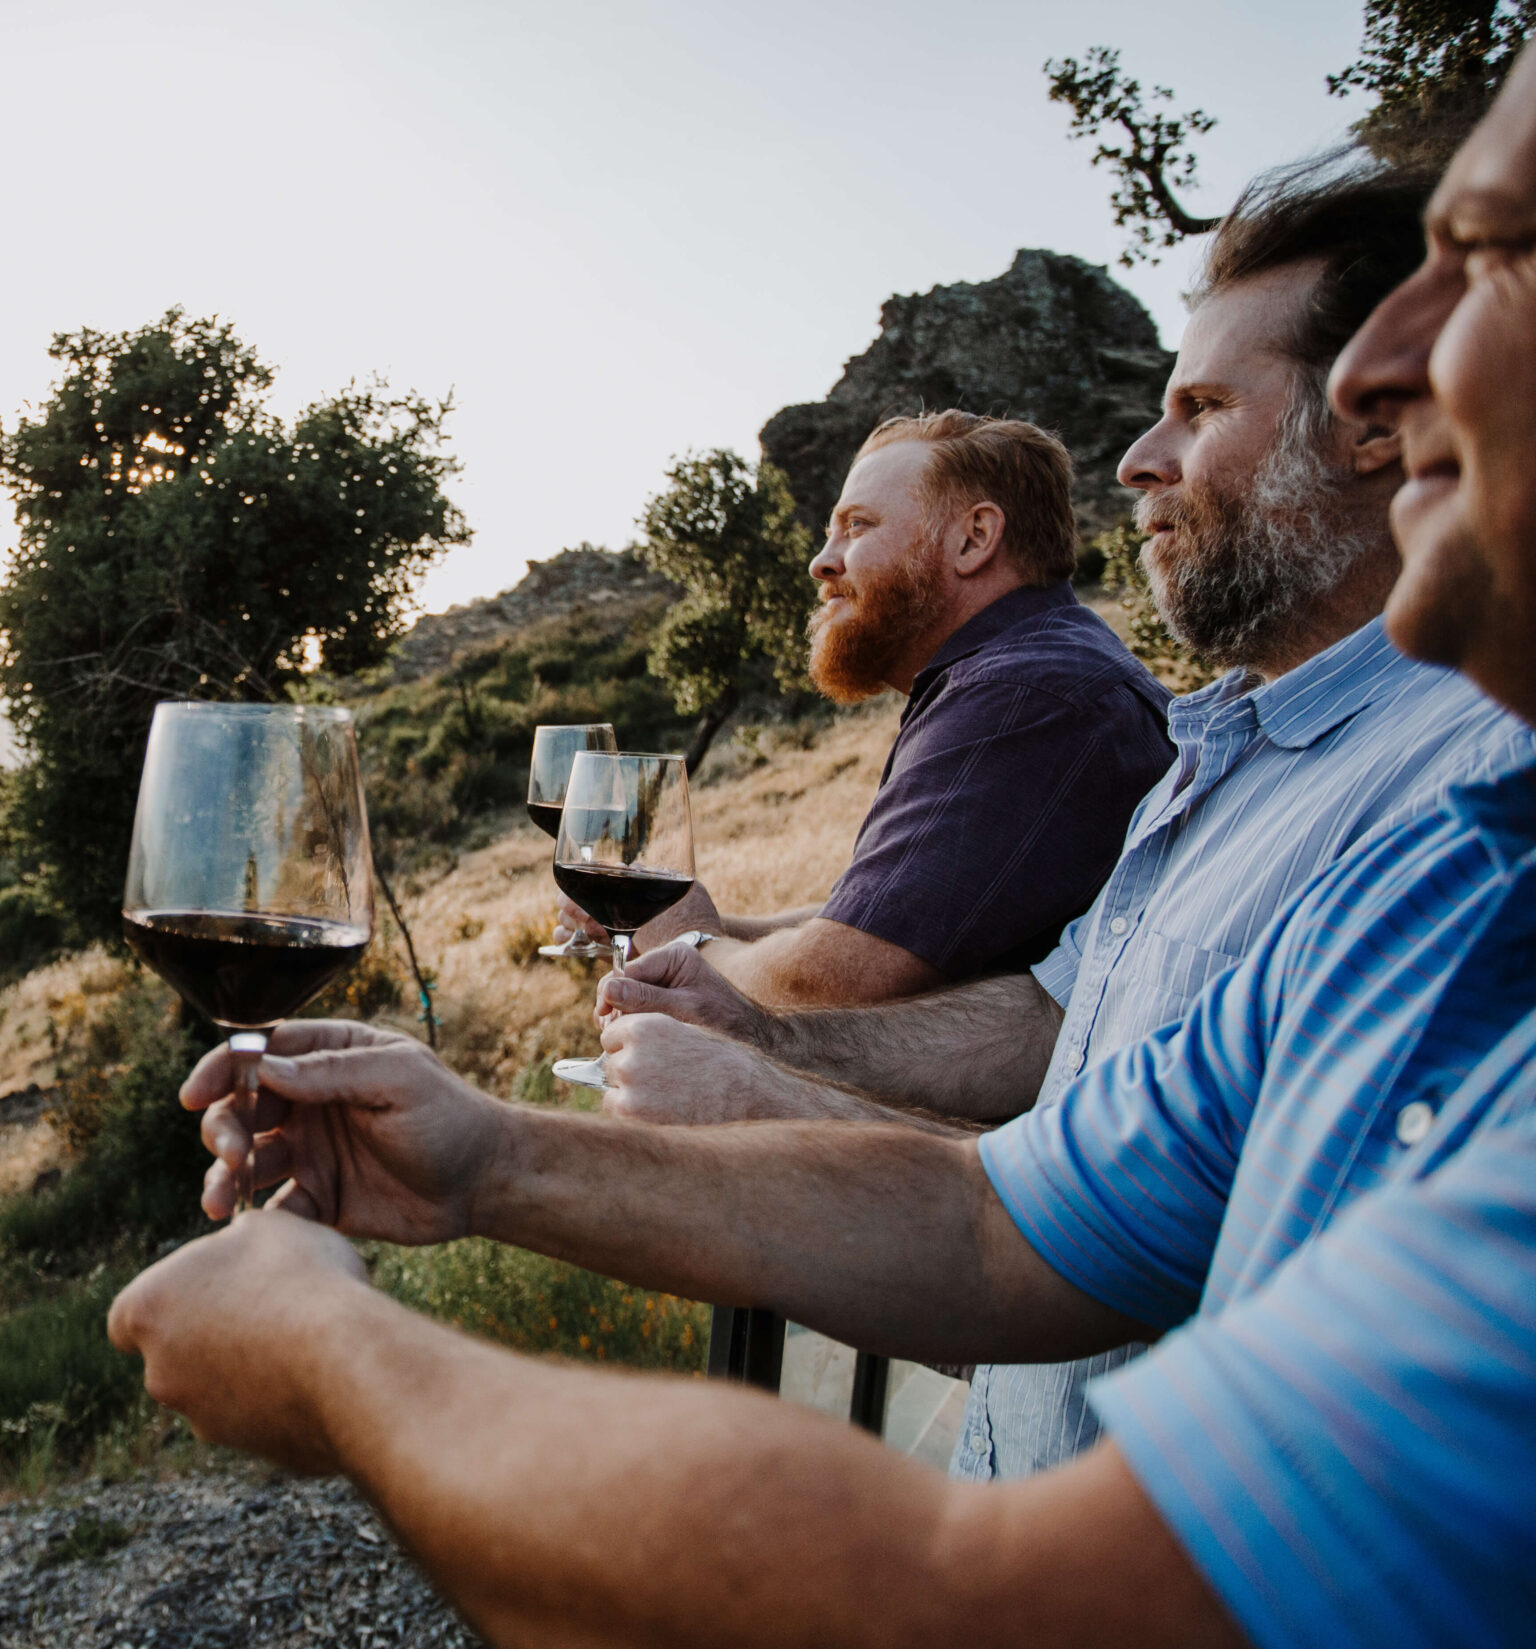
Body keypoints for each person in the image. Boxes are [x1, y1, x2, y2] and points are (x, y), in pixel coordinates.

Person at [104, 56, 1536, 1649]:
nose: (1390, 371)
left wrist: (334, 1359)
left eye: (1494, 258)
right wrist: (486, 1155)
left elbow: (1019, 1638)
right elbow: (1015, 1220)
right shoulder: (1424, 845)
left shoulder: (1428, 862)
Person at [597, 157, 1534, 1479]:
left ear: (1382, 415)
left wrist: (747, 1091)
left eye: (1200, 407)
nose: (1139, 459)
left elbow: (1185, 1280)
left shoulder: (1464, 791)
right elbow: (1055, 1022)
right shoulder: (1228, 747)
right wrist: (745, 1007)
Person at [563, 410, 1171, 1010]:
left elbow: (830, 986)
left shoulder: (1024, 696)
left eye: (857, 526)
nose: (821, 562)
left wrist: (681, 934)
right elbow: (878, 922)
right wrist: (709, 925)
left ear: (973, 538)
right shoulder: (1029, 667)